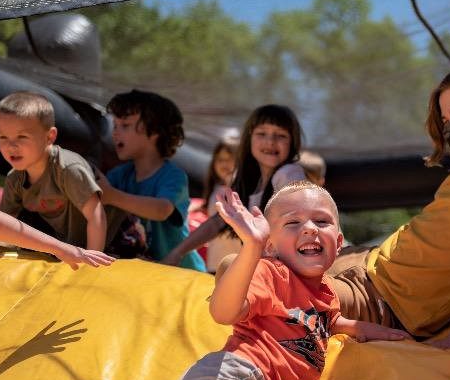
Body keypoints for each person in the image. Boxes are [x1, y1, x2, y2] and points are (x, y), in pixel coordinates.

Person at [134, 181, 410, 380]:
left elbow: (332, 323)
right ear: (270, 245)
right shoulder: (271, 273)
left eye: (321, 221)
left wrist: (387, 333)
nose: (310, 228)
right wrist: (251, 249)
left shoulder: (325, 295)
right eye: (293, 222)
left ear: (339, 242)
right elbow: (224, 311)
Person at [327, 56, 450, 343]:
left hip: (380, 298)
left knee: (253, 278)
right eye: (447, 120)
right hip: (371, 262)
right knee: (258, 265)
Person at [0, 96, 114, 270]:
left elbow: (96, 216)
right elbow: (0, 220)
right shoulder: (16, 178)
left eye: (21, 137)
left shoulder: (68, 169)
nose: (11, 146)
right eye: (3, 137)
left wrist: (93, 264)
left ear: (49, 136)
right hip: (67, 247)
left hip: (111, 241)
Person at [161, 104, 307, 267]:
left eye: (280, 135)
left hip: (278, 273)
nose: (270, 141)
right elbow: (218, 222)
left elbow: (295, 221)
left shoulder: (289, 173)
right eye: (261, 133)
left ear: (293, 142)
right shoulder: (246, 177)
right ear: (249, 138)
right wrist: (178, 252)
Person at [95, 90, 206, 271]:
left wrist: (112, 196)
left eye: (125, 125)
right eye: (114, 125)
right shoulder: (118, 176)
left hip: (180, 274)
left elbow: (162, 209)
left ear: (154, 131)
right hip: (142, 273)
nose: (115, 133)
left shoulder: (173, 176)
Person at [201, 129, 241, 272]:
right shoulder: (217, 188)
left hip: (234, 263)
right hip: (215, 262)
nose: (224, 164)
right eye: (220, 159)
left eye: (230, 159)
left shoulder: (237, 188)